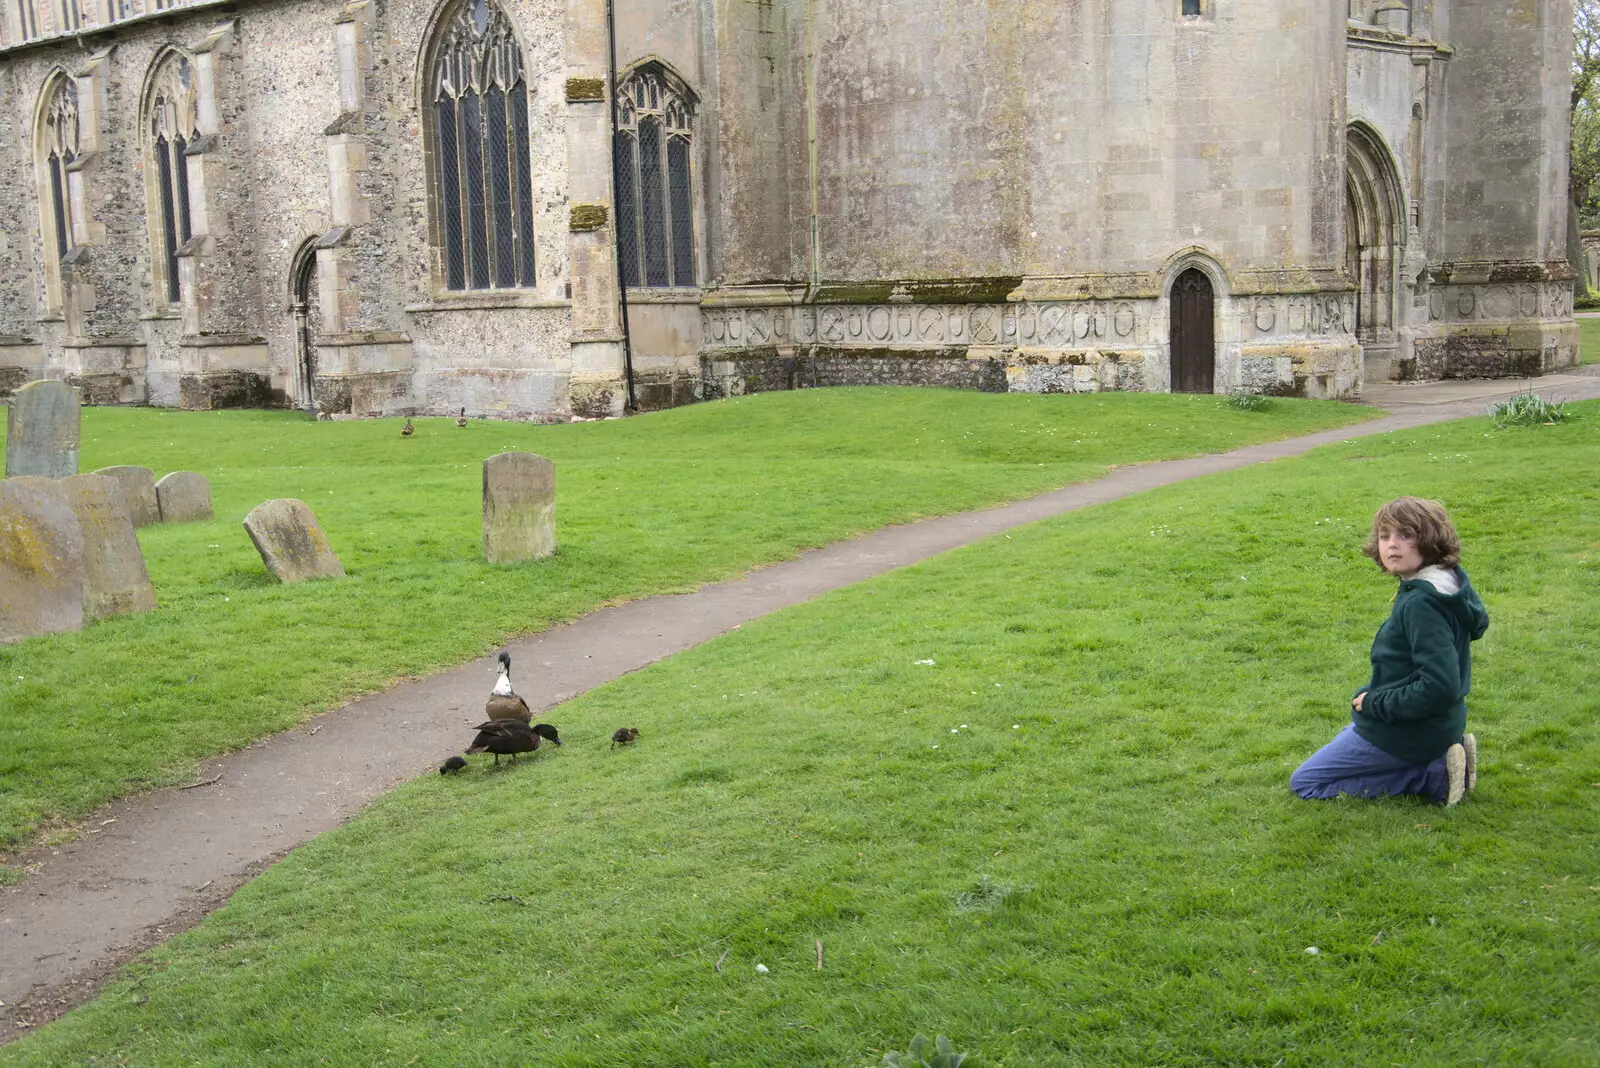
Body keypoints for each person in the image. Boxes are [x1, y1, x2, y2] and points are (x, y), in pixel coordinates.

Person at [1291, 497, 1489, 806]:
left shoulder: (1422, 604)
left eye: (1405, 535)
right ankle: (1446, 754)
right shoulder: (1449, 584)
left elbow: (1440, 687)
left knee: (1307, 781)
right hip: (1440, 724)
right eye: (1385, 536)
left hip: (1413, 732)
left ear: (1430, 539)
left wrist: (1374, 702)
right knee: (1352, 728)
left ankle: (1433, 775)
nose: (1391, 545)